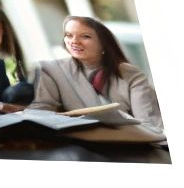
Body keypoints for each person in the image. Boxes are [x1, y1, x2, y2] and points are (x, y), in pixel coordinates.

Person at [30, 15, 163, 135]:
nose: (74, 41)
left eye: (85, 36)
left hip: (132, 140)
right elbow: (41, 114)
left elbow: (150, 124)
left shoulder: (131, 74)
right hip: (79, 141)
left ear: (104, 44)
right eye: (69, 35)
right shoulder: (50, 70)